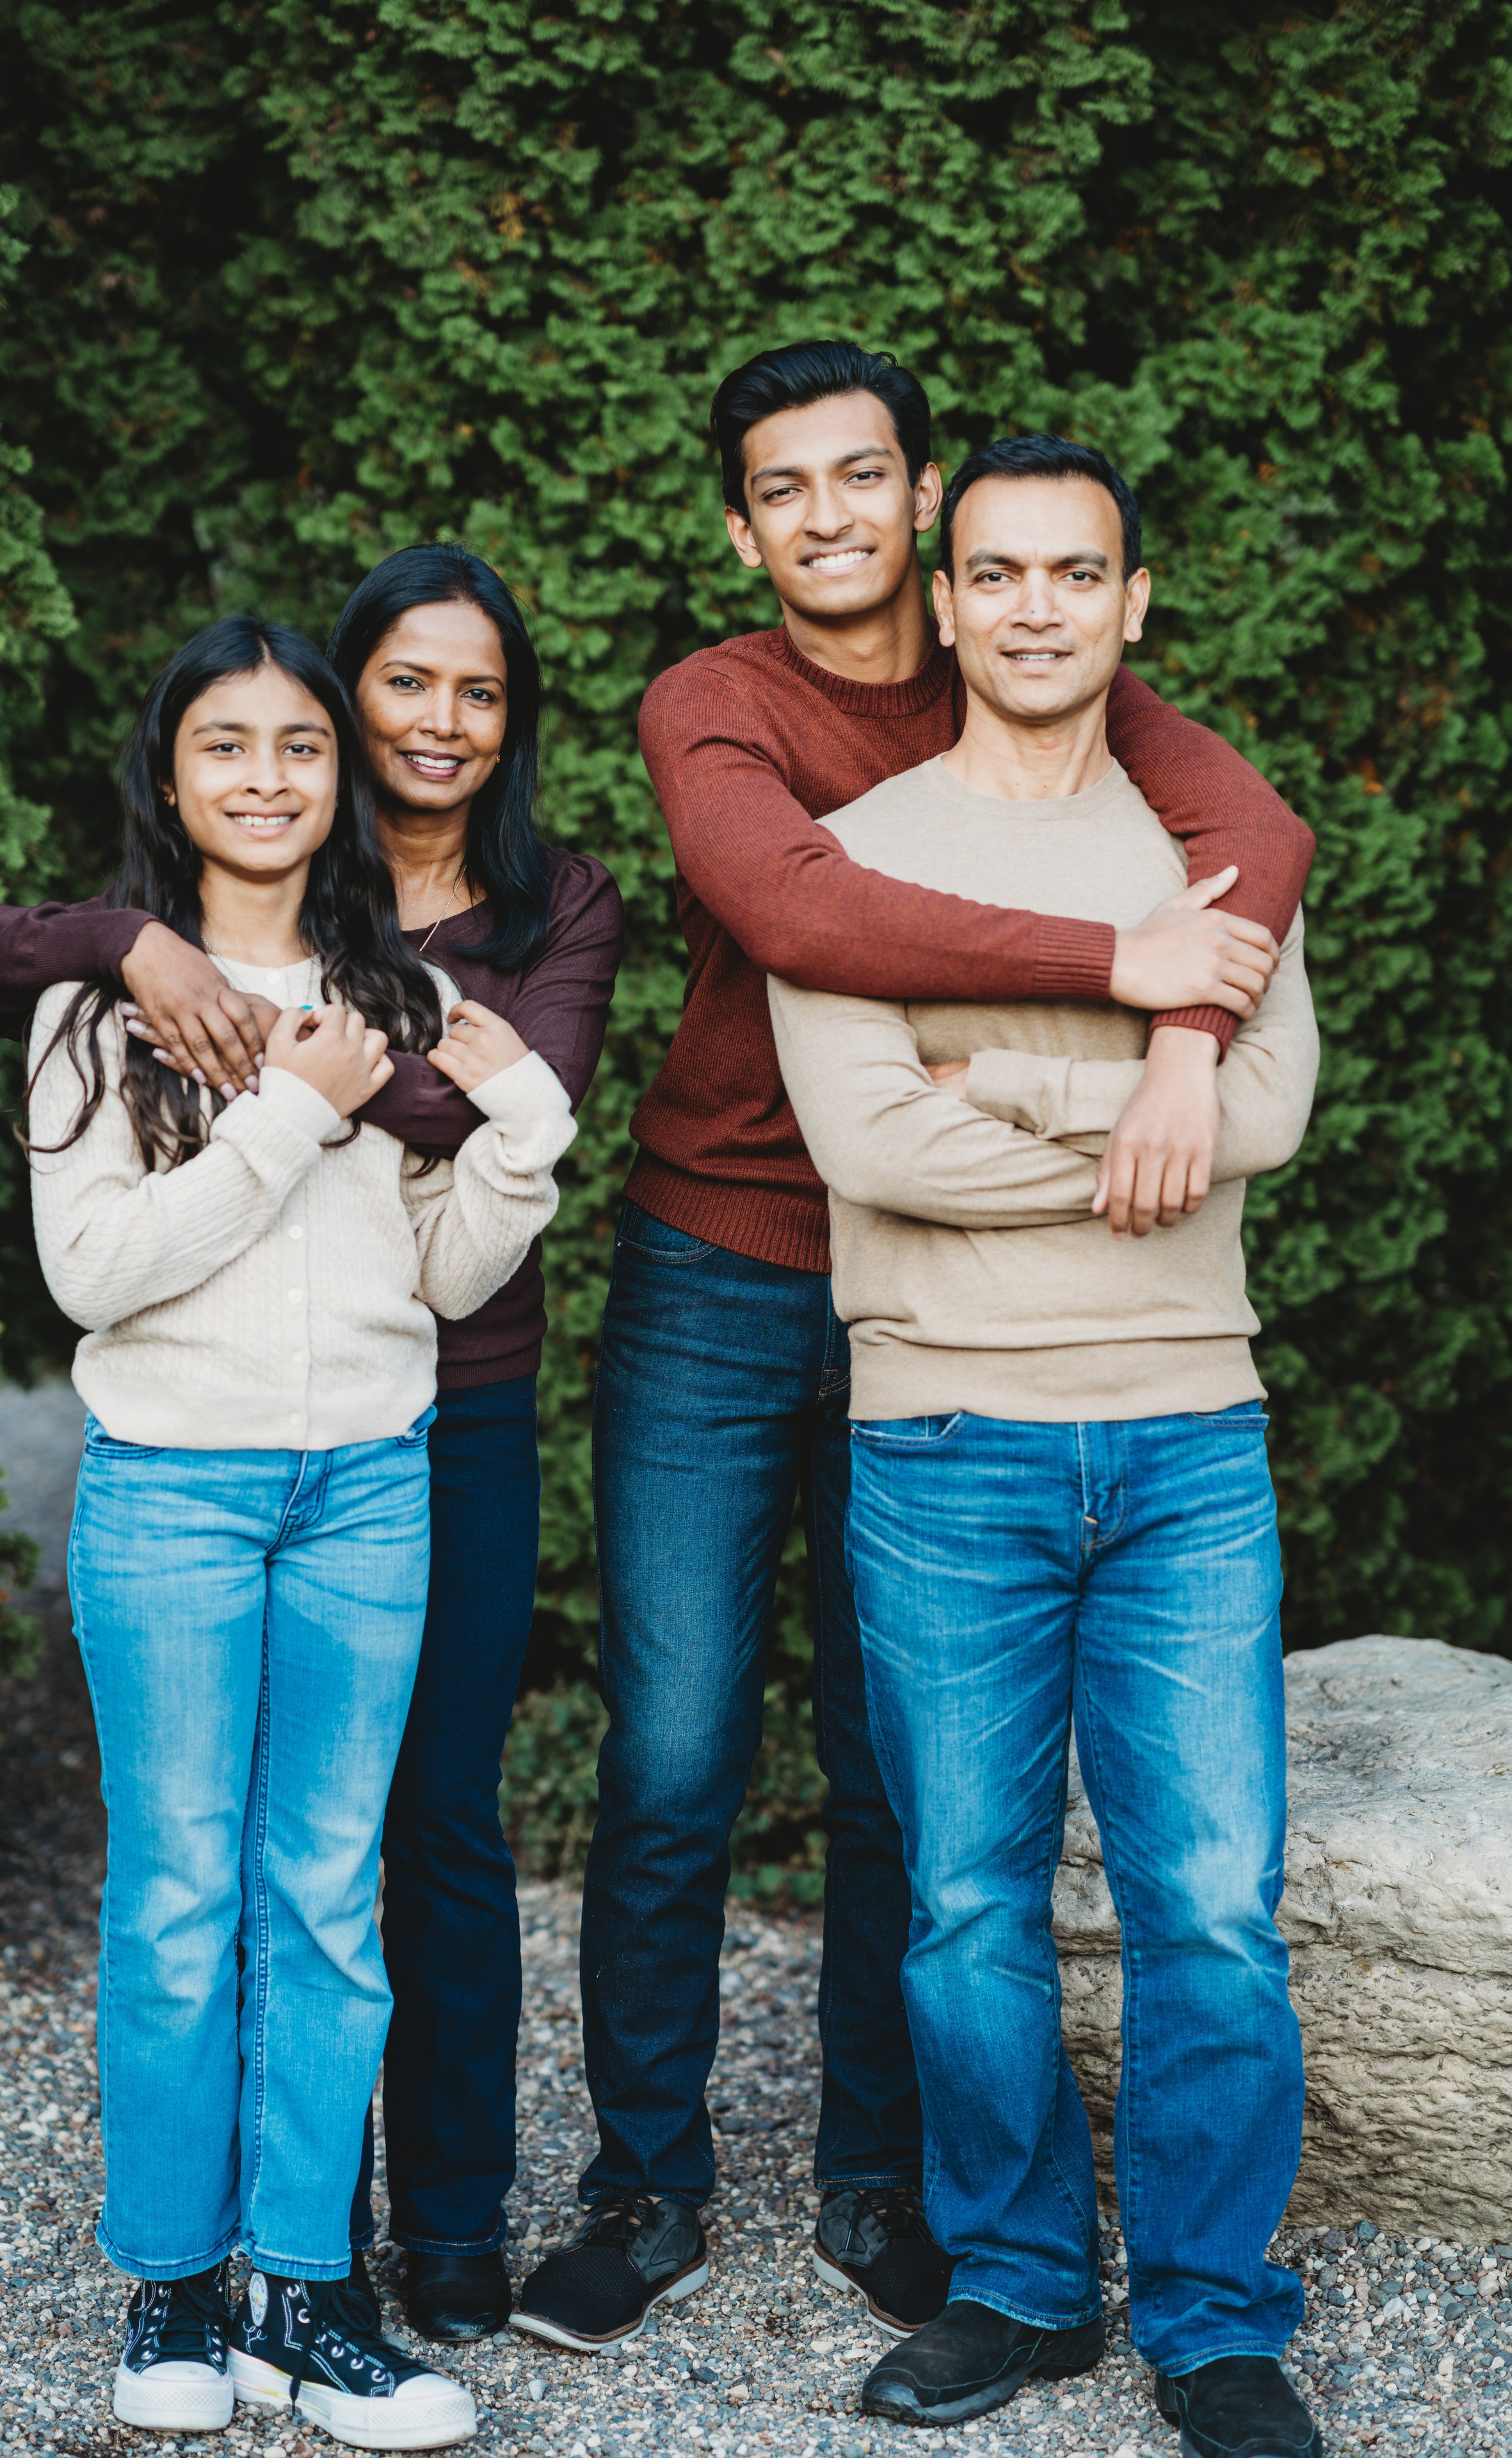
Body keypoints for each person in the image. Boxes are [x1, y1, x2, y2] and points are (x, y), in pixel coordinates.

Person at [510, 341, 1315, 2356]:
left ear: (926, 503)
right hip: (724, 1259)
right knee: (676, 1751)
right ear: (743, 529)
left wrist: (1186, 1044)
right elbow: (800, 906)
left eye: (862, 474)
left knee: (907, 1786)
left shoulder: (1042, 668)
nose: (828, 516)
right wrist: (1121, 977)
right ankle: (646, 2184)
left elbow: (1261, 842)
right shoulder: (718, 703)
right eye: (784, 488)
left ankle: (886, 2178)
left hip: (959, 1317)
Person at [0, 547, 625, 2346]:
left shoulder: (393, 997)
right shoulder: (93, 1004)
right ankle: (173, 2285)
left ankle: (306, 2290)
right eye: (224, 746)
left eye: (299, 745)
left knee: (327, 1901)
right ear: (170, 781)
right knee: (177, 1898)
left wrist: (520, 1143)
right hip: (173, 1491)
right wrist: (284, 1120)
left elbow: (443, 1275)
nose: (265, 776)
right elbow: (95, 1277)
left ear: (339, 780)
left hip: (370, 1491)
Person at [767, 435, 1320, 2458]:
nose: (1034, 609)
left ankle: (1214, 2315)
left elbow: (1265, 1114)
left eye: (1076, 574)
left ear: (1133, 603)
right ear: (947, 598)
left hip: (1188, 1438)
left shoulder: (1212, 844)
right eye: (995, 573)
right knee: (966, 1904)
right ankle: (1012, 2281)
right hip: (945, 1437)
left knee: (1212, 1909)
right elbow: (870, 1139)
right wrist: (1134, 1112)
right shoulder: (851, 853)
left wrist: (998, 1074)